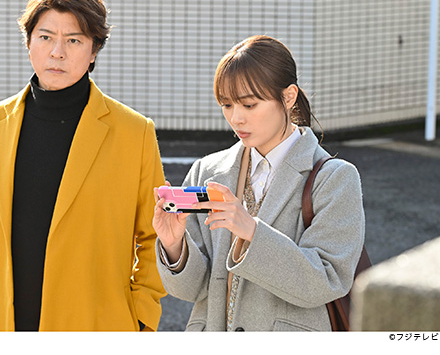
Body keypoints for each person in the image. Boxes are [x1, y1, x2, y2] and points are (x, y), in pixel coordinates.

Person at [0, 0, 166, 331]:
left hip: (93, 322)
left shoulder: (133, 132)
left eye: (74, 40)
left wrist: (141, 317)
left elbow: (153, 234)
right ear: (29, 42)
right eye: (45, 37)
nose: (57, 52)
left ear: (94, 50)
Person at [153, 35, 365, 331]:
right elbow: (193, 290)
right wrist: (174, 245)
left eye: (249, 105)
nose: (236, 118)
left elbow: (329, 280)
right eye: (227, 105)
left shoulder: (334, 178)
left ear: (288, 97)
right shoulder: (207, 170)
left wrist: (252, 232)